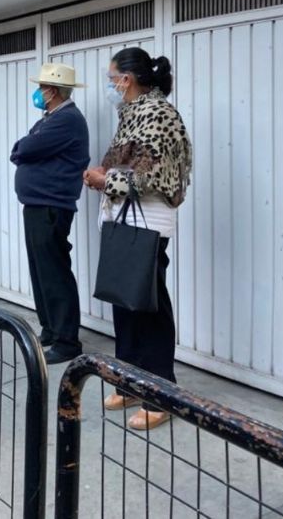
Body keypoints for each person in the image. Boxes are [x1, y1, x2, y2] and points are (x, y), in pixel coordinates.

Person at [83, 48, 192, 431]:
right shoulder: (131, 112)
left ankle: (160, 390)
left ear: (126, 79)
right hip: (123, 217)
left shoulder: (158, 114)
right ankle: (129, 380)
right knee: (124, 302)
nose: (109, 85)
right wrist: (103, 171)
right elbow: (123, 164)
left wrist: (105, 179)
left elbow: (155, 177)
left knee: (148, 305)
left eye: (112, 77)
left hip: (148, 221)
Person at [10, 62, 90, 365]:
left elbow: (24, 149)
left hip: (50, 206)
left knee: (54, 272)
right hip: (38, 204)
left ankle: (67, 341)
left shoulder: (66, 120)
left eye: (42, 87)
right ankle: (51, 328)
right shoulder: (52, 117)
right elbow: (26, 148)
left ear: (52, 91)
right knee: (40, 269)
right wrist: (23, 149)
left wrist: (23, 149)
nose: (39, 92)